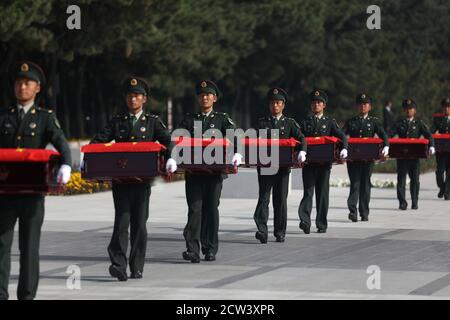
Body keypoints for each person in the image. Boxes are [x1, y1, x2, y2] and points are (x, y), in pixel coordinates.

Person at [90, 76, 177, 281]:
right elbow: (98, 141)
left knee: (139, 224)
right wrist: (94, 159)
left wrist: (170, 158)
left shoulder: (153, 122)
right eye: (130, 96)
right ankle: (118, 264)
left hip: (143, 182)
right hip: (121, 181)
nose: (133, 99)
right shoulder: (117, 122)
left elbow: (169, 140)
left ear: (144, 99)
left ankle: (137, 266)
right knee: (121, 222)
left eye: (137, 95)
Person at [0, 61, 72, 300]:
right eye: (18, 83)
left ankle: (26, 295)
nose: (22, 87)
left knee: (29, 248)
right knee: (1, 246)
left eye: (27, 83)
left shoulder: (45, 118)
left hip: (32, 193)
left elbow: (61, 143)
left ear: (37, 88)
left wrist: (65, 166)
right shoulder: (4, 117)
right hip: (5, 193)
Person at [177, 80, 242, 263]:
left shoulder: (222, 119)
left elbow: (234, 136)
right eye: (201, 95)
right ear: (198, 98)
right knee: (195, 209)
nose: (205, 97)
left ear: (214, 98)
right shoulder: (190, 119)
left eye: (208, 95)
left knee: (211, 210)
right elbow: (177, 137)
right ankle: (192, 249)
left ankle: (210, 248)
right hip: (194, 172)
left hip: (214, 173)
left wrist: (237, 153)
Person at [253, 87, 307, 244]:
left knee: (280, 200)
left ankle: (280, 231)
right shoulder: (262, 122)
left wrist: (302, 152)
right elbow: (254, 141)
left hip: (282, 168)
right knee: (263, 198)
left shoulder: (289, 123)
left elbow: (301, 138)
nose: (275, 106)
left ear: (283, 105)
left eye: (278, 103)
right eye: (272, 103)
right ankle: (262, 230)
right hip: (265, 166)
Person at [298, 89, 348, 234]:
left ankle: (321, 223)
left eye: (319, 103)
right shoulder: (305, 122)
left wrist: (344, 148)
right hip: (308, 163)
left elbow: (342, 136)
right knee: (308, 193)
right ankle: (305, 221)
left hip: (324, 165)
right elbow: (299, 139)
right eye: (313, 102)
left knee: (322, 194)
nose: (316, 105)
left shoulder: (329, 122)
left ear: (324, 105)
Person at [343, 93, 389, 222]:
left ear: (370, 107)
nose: (362, 107)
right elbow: (342, 135)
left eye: (365, 104)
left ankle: (364, 212)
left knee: (365, 185)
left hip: (368, 158)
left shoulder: (374, 121)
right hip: (353, 158)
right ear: (357, 106)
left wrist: (386, 146)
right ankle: (353, 211)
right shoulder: (351, 121)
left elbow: (383, 134)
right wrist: (343, 148)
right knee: (355, 184)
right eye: (360, 104)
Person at [390, 99, 435, 210]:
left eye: (410, 109)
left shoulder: (419, 123)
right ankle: (402, 202)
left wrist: (432, 146)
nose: (408, 111)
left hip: (415, 156)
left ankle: (414, 201)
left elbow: (428, 135)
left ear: (414, 110)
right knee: (401, 180)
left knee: (415, 180)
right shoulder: (399, 123)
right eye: (406, 109)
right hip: (402, 156)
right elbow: (389, 134)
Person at [431, 97, 450, 200]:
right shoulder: (438, 120)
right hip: (441, 150)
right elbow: (431, 132)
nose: (446, 109)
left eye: (448, 107)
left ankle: (447, 192)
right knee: (439, 172)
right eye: (445, 107)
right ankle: (442, 188)